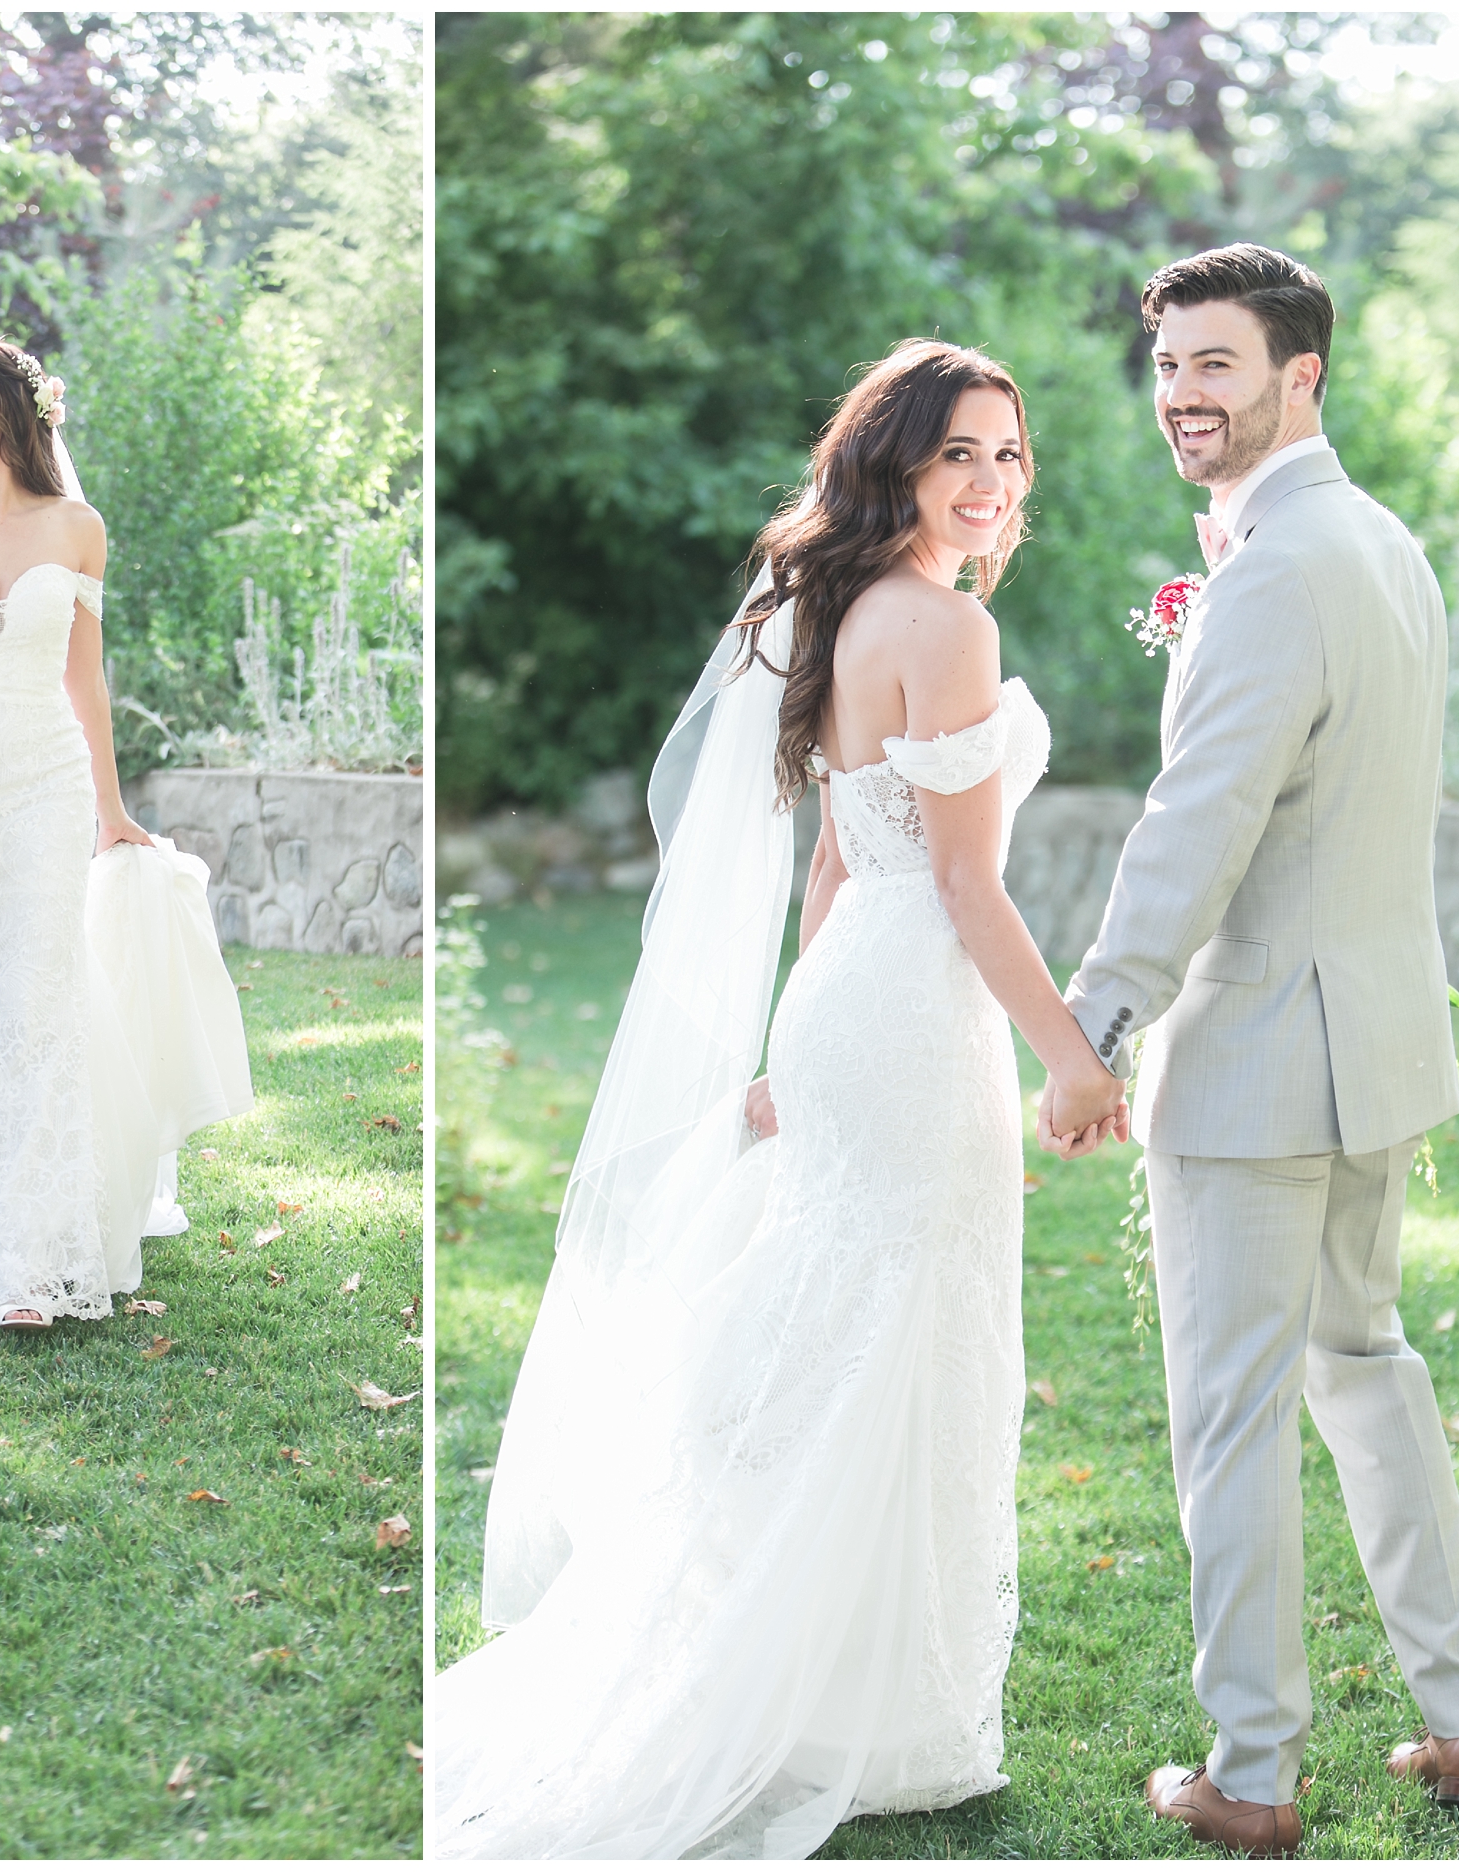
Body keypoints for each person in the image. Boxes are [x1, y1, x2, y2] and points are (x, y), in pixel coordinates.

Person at [433, 340, 1125, 1859]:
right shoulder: (938, 626)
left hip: (853, 1004)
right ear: (894, 464)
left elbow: (835, 858)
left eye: (1009, 454)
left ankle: (828, 1687)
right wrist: (1067, 1047)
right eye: (960, 453)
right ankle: (855, 1710)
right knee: (900, 1333)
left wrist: (787, 1043)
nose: (993, 481)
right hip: (912, 1007)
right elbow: (962, 884)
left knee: (853, 1324)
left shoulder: (838, 608)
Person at [1047, 244, 1459, 1855]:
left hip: (1255, 1059)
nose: (1182, 392)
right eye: (1168, 364)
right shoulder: (1385, 545)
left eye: (1217, 363)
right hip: (1376, 1052)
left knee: (1233, 1416)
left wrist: (1093, 1025)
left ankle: (1251, 1772)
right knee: (1367, 1374)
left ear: (1300, 375)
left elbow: (1198, 829)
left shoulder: (1275, 569)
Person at [0, 339, 249, 1327]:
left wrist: (111, 811)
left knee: (31, 999)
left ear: (11, 410)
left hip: (44, 785)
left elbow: (86, 681)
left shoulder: (78, 528)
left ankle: (25, 1260)